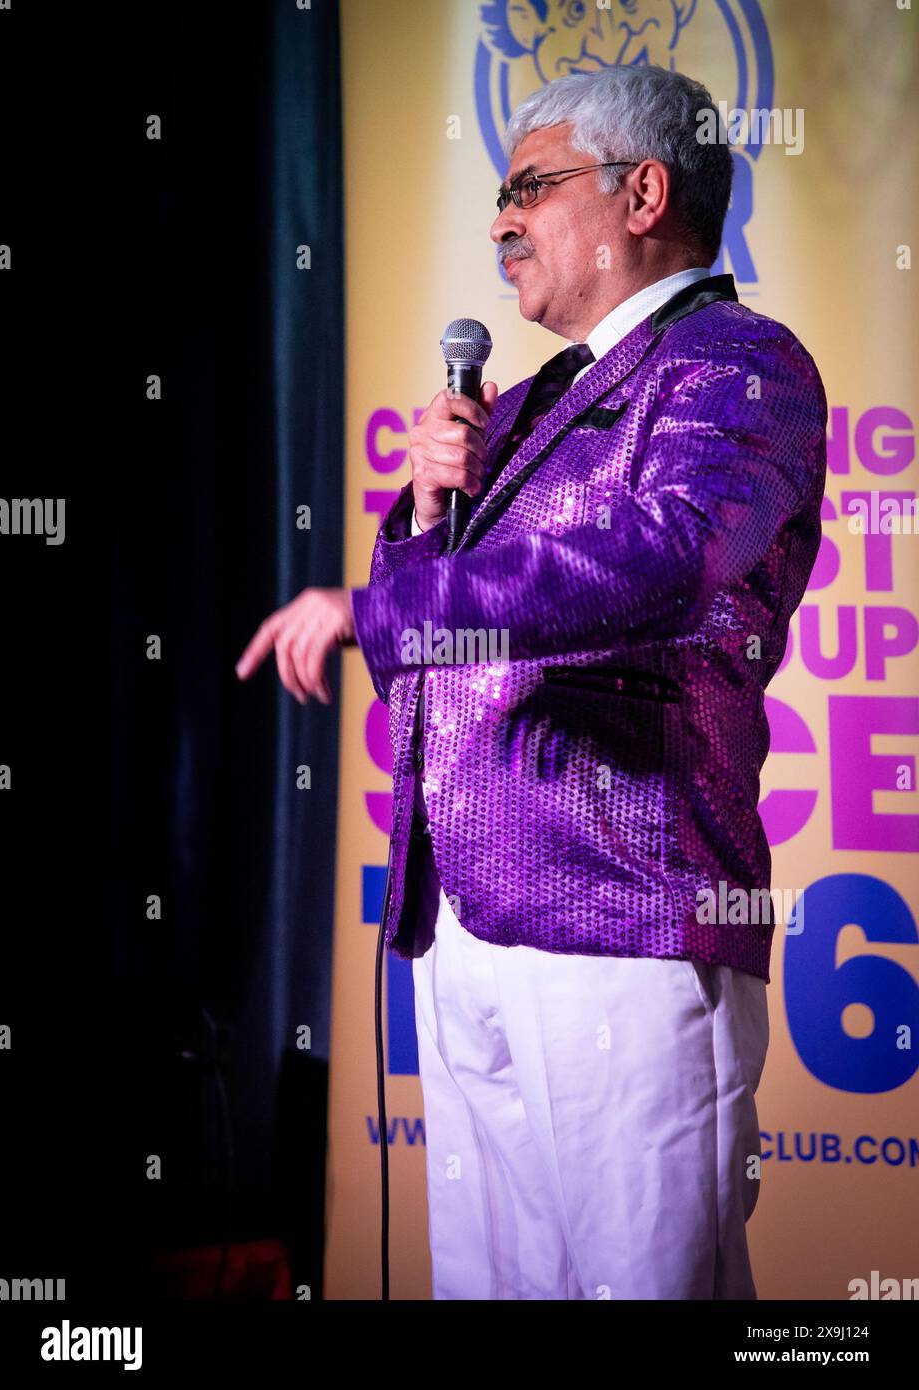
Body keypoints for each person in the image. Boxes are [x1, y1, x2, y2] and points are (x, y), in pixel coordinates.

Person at [236, 64, 827, 1300]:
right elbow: (438, 661)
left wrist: (374, 606)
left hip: (622, 913)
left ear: (641, 193)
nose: (498, 220)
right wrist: (425, 505)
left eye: (529, 187)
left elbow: (663, 565)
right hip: (467, 918)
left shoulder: (736, 363)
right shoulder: (530, 404)